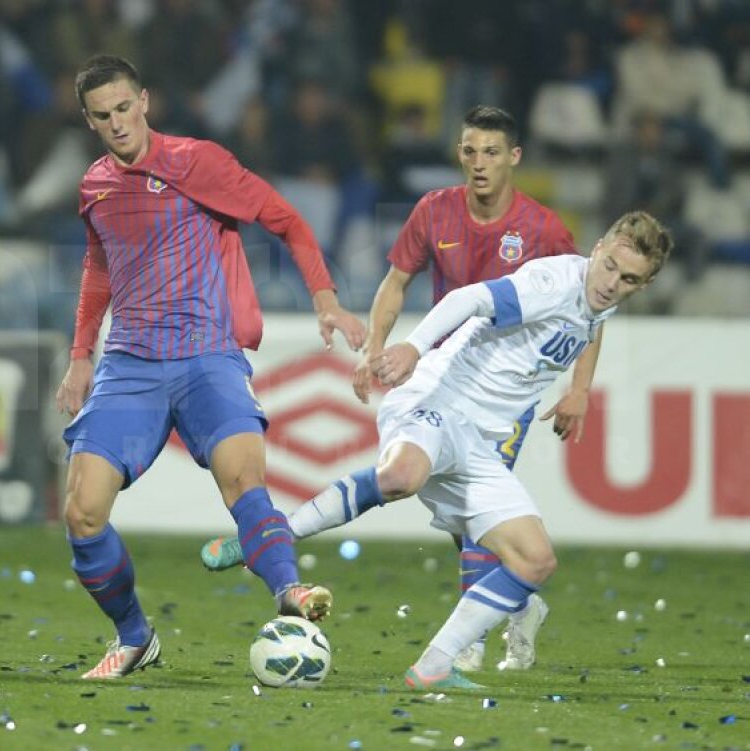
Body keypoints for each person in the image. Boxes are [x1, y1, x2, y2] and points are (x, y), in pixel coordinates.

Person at [202, 105, 600, 674]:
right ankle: (518, 604)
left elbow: (589, 310)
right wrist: (374, 352)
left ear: (514, 158)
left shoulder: (544, 230)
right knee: (457, 509)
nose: (479, 164)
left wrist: (579, 388)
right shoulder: (435, 212)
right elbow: (395, 283)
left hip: (499, 397)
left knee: (468, 513)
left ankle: (470, 640)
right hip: (437, 381)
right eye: (469, 151)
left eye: (491, 152)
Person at [253, 211, 670, 689]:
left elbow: (590, 325)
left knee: (535, 560)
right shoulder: (554, 281)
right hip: (439, 400)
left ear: (645, 283)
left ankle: (435, 665)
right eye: (611, 266)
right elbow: (468, 297)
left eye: (629, 279)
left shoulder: (601, 300)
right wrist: (413, 347)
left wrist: (580, 388)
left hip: (479, 442)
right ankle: (268, 536)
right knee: (401, 477)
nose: (613, 283)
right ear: (598, 248)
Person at [56, 55, 366, 680]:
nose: (117, 123)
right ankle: (134, 636)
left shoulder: (197, 163)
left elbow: (287, 220)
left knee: (242, 478)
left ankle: (290, 593)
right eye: (102, 115)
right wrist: (80, 356)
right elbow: (99, 268)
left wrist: (325, 297)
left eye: (123, 108)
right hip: (130, 364)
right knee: (82, 513)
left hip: (206, 354)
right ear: (88, 121)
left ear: (144, 100)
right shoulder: (94, 187)